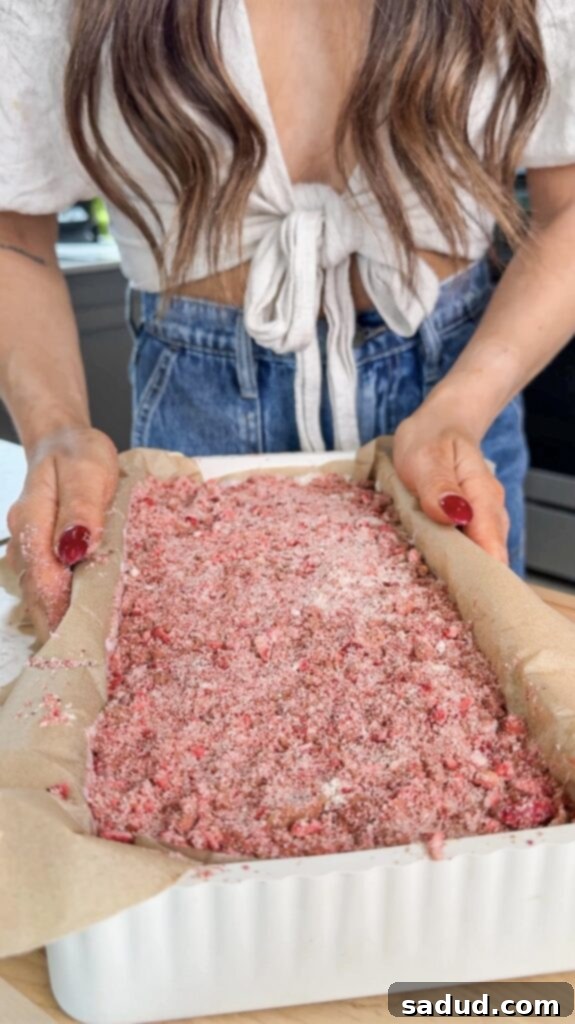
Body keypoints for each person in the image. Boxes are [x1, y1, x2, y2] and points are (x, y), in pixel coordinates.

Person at [1, 0, 575, 639]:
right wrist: (54, 429)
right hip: (197, 418)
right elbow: (13, 234)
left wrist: (461, 408)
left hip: (455, 402)